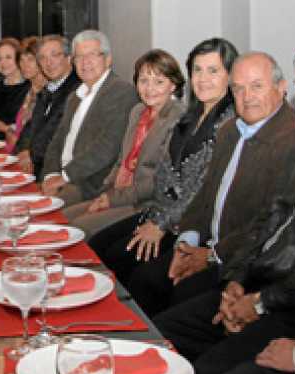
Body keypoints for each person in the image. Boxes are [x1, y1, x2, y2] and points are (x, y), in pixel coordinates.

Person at [152, 52, 295, 374]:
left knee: (203, 361)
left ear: (282, 88)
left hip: (280, 291)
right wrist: (190, 245)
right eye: (238, 89)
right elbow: (207, 198)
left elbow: (276, 234)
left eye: (256, 86)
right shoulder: (229, 131)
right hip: (245, 270)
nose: (246, 96)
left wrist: (244, 288)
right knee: (158, 319)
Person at [90, 38, 237, 289]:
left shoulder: (228, 124)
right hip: (160, 211)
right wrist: (155, 216)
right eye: (198, 70)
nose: (203, 79)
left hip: (188, 223)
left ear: (230, 76)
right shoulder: (190, 117)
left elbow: (201, 189)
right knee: (99, 245)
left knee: (130, 268)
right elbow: (163, 172)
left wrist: (160, 224)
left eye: (213, 71)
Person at [59, 49, 185, 236]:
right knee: (62, 217)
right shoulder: (137, 111)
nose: (149, 89)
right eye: (143, 81)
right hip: (119, 191)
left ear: (173, 85)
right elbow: (121, 160)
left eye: (159, 82)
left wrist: (112, 199)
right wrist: (105, 193)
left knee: (79, 227)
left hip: (145, 203)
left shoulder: (178, 118)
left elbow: (158, 180)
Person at [41, 30, 140, 205]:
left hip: (90, 183)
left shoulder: (121, 92)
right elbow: (57, 141)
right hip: (64, 177)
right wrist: (50, 174)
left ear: (108, 59)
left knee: (42, 210)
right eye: (79, 56)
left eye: (92, 55)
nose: (85, 62)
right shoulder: (74, 97)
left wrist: (65, 176)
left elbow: (108, 146)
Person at [15, 34, 80, 177]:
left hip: (56, 170)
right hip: (34, 164)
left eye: (54, 55)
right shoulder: (47, 89)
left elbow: (57, 131)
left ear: (69, 58)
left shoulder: (77, 90)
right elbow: (30, 127)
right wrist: (22, 150)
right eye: (42, 58)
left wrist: (31, 155)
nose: (48, 63)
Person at [0, 36, 44, 154]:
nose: (25, 64)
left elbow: (31, 135)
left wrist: (2, 127)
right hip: (4, 146)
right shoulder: (30, 91)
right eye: (22, 60)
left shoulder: (37, 91)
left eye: (30, 59)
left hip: (17, 151)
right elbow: (19, 127)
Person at [0, 38, 31, 131]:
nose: (3, 63)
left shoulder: (29, 89)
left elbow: (23, 128)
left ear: (19, 59)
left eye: (8, 57)